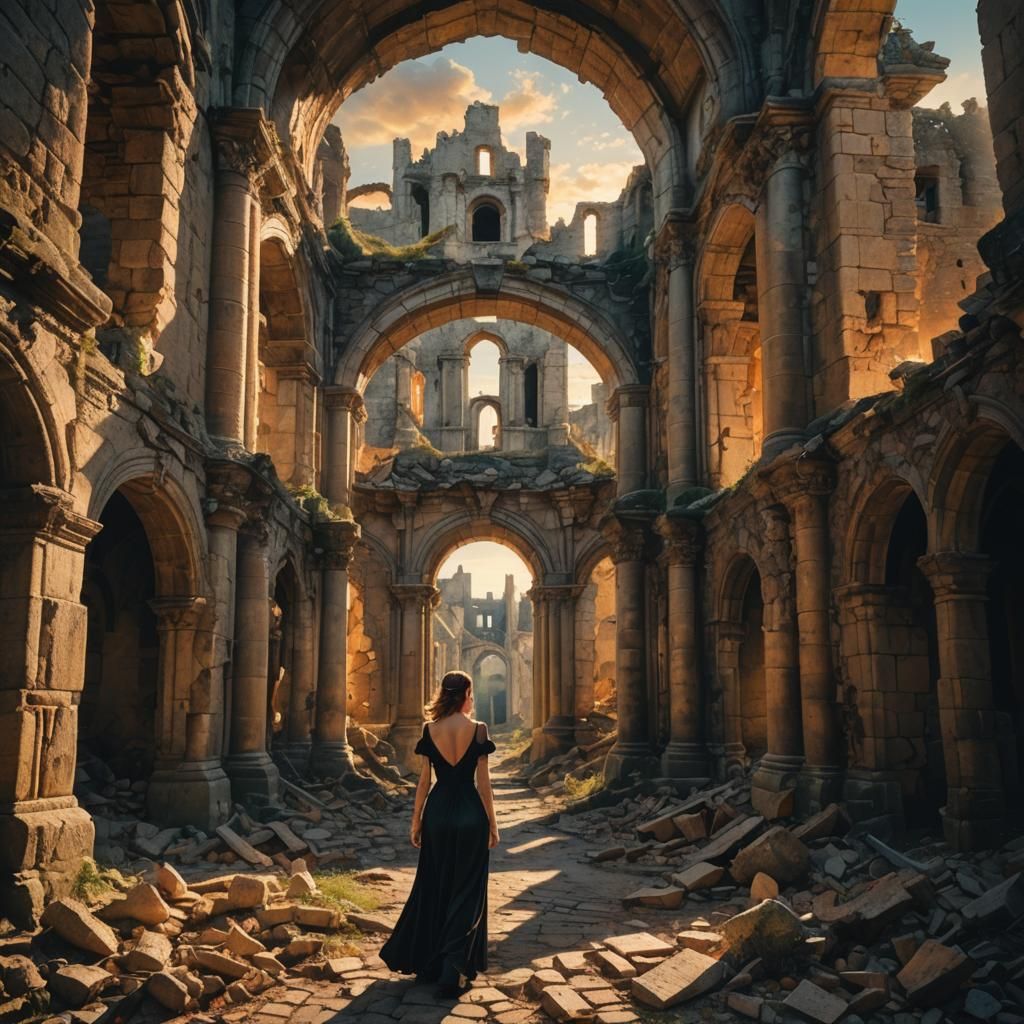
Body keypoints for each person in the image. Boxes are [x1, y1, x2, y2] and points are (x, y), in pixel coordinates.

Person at [380, 670, 500, 996]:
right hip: (470, 814)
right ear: (465, 695)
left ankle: (430, 963)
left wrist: (416, 820)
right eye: (471, 693)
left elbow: (424, 782)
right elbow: (484, 783)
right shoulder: (478, 730)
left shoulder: (429, 729)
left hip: (438, 813)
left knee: (436, 885)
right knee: (467, 890)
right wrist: (492, 822)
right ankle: (453, 968)